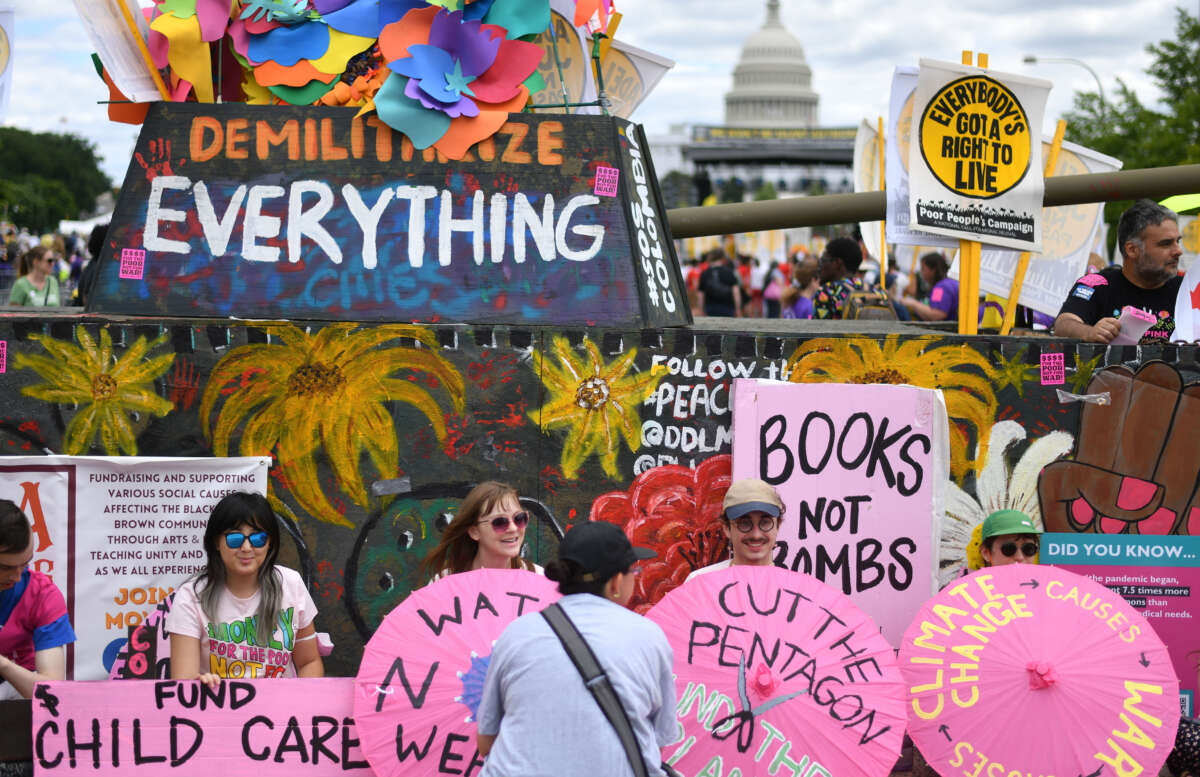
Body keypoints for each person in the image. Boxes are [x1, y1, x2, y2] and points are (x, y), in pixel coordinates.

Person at [475, 521, 676, 777]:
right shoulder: (649, 637)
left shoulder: (516, 633)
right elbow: (659, 739)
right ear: (615, 582)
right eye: (633, 571)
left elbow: (486, 740)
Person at [167, 492, 323, 687]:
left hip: (282, 713)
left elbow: (309, 662)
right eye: (235, 538)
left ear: (270, 542)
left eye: (258, 538)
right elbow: (184, 681)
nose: (247, 547)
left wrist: (303, 707)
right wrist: (199, 683)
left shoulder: (291, 584)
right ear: (216, 542)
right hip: (217, 710)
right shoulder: (191, 596)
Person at [1054, 199, 1183, 343]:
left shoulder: (1188, 287)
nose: (1178, 251)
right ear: (1132, 250)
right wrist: (1090, 332)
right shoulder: (1095, 284)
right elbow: (1063, 325)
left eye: (1178, 241)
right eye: (1166, 244)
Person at [0, 500, 75, 699]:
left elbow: (52, 691)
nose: (16, 577)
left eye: (25, 563)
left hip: (19, 691)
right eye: (5, 568)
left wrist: (3, 664)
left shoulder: (43, 595)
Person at [419, 481, 541, 581]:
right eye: (500, 522)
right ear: (474, 532)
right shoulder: (444, 585)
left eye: (520, 518)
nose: (514, 528)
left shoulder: (540, 579)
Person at [686, 478, 784, 580]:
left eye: (765, 523)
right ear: (727, 528)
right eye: (744, 524)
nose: (756, 535)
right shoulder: (699, 583)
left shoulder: (794, 587)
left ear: (778, 525)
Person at [813, 236, 870, 319]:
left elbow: (816, 330)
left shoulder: (828, 292)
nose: (819, 266)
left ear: (837, 263)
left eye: (823, 260)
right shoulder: (875, 290)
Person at [902, 252, 958, 322]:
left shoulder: (941, 288)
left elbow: (937, 315)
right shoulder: (949, 283)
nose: (921, 272)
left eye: (923, 269)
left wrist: (913, 303)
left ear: (933, 270)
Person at [697, 249, 743, 317]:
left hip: (710, 308)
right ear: (722, 258)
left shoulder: (704, 273)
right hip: (728, 308)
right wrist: (738, 309)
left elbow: (701, 295)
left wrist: (701, 310)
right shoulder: (729, 272)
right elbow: (736, 292)